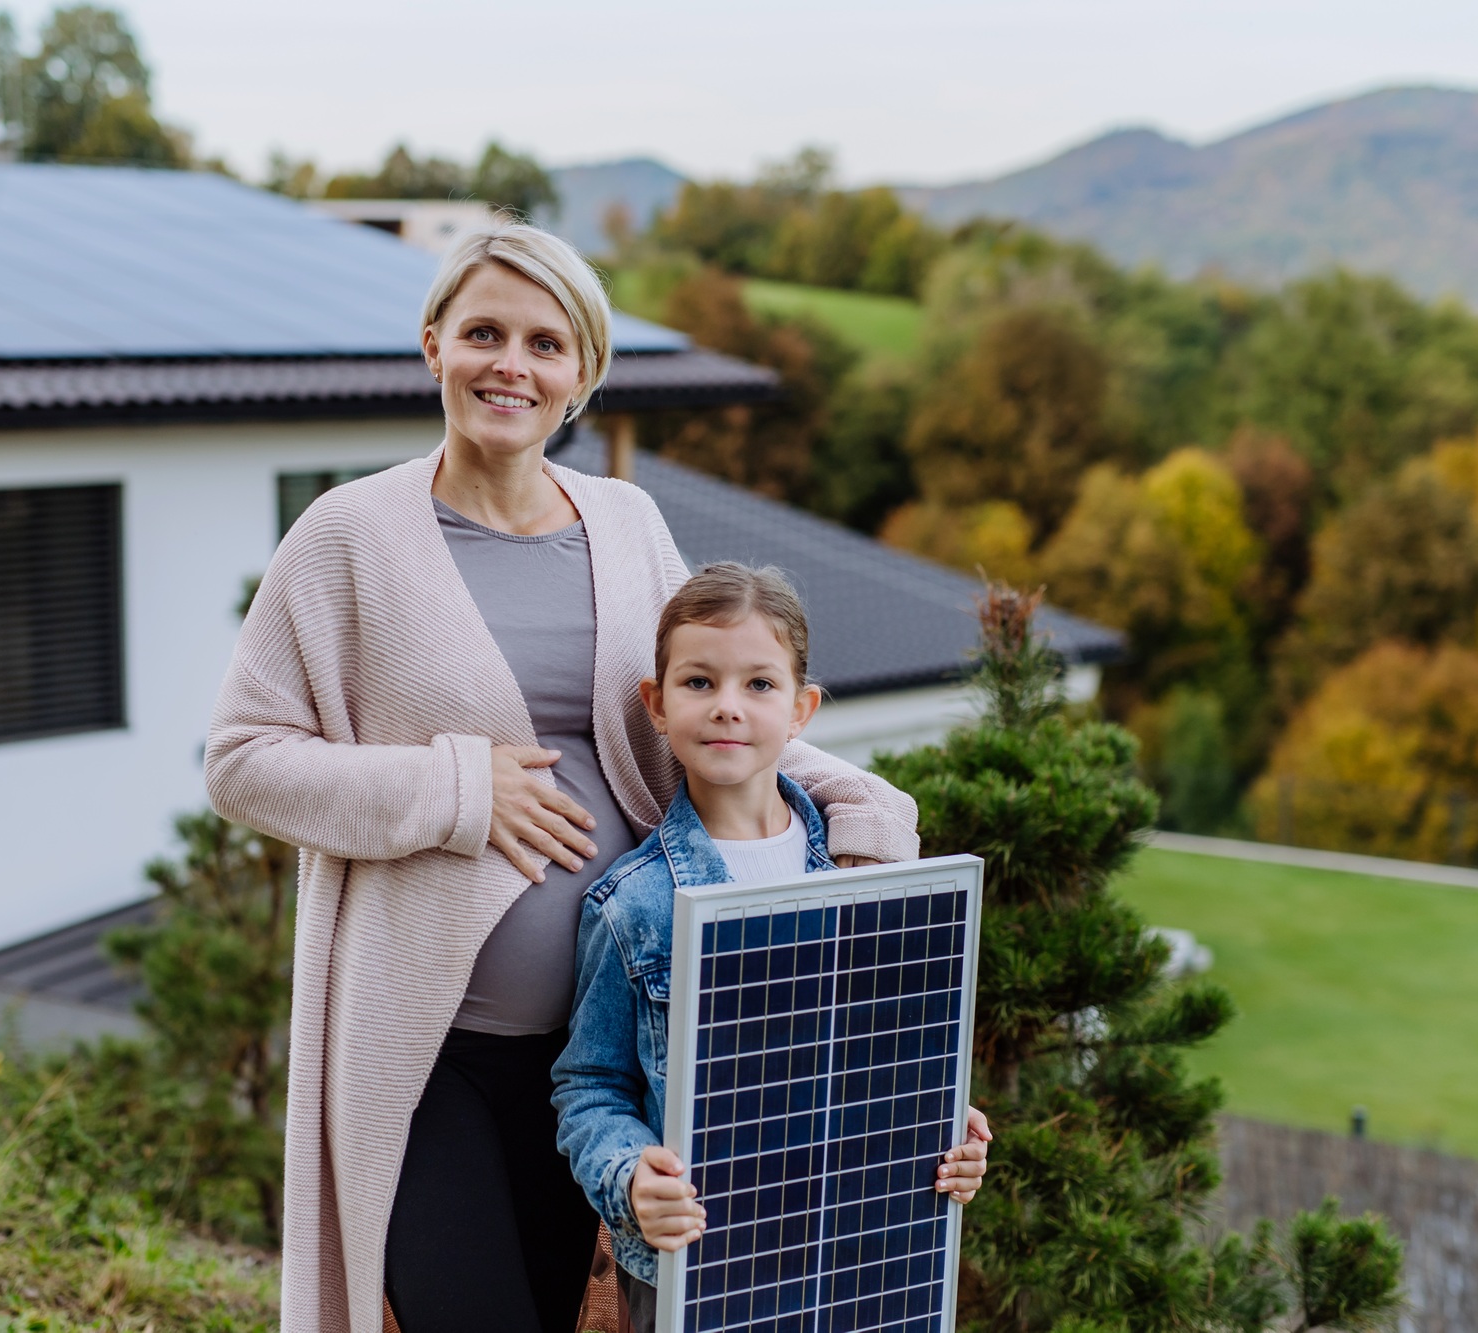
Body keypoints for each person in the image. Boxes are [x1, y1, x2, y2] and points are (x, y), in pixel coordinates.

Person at [204, 222, 938, 1333]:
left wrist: (854, 805)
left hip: (600, 1054)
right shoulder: (348, 535)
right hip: (426, 1046)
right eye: (484, 332)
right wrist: (453, 793)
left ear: (581, 375)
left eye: (545, 343)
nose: (511, 363)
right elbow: (244, 762)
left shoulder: (627, 522)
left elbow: (714, 701)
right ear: (431, 344)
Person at [550, 563, 995, 1332]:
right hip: (695, 1267)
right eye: (699, 682)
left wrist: (945, 1129)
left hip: (859, 1251)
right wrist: (628, 1176)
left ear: (801, 708)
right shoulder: (635, 904)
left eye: (759, 684)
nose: (727, 706)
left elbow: (894, 1057)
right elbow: (588, 1085)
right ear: (656, 704)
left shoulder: (869, 880)